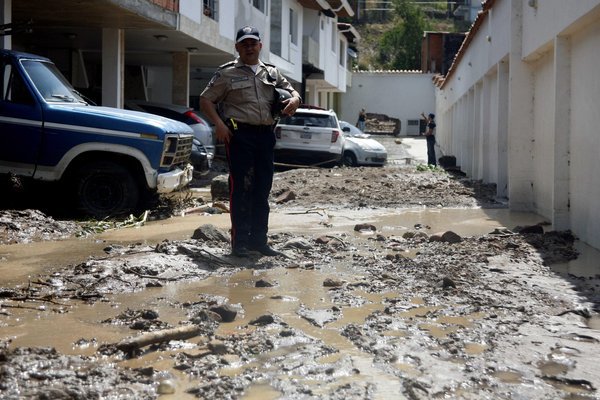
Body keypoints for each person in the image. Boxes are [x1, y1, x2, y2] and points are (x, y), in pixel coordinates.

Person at [199, 26, 302, 258]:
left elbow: (292, 92)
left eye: (253, 43)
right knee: (241, 190)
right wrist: (219, 124)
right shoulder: (226, 73)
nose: (249, 47)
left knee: (262, 189)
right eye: (244, 44)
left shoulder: (272, 73)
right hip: (239, 136)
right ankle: (240, 244)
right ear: (237, 47)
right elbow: (206, 100)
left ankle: (259, 242)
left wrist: (295, 100)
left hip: (265, 135)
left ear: (260, 46)